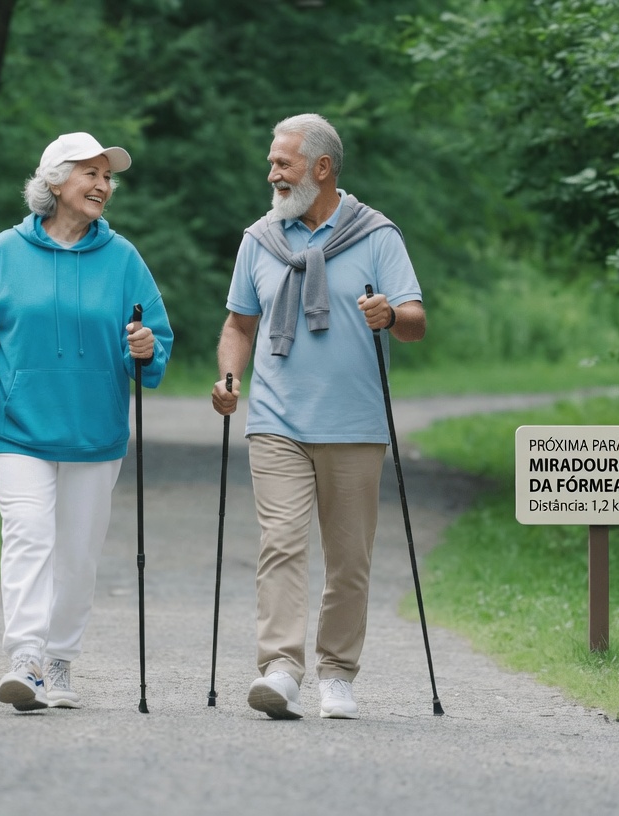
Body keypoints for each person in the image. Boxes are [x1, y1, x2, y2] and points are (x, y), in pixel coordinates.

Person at [0, 132, 173, 712]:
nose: (103, 185)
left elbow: (154, 343)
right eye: (90, 174)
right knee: (29, 535)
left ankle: (60, 658)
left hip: (94, 432)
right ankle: (25, 658)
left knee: (77, 553)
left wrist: (144, 349)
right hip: (18, 426)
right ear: (54, 181)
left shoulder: (123, 258)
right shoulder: (6, 251)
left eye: (108, 177)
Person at [211, 113, 425, 720]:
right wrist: (230, 377)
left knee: (349, 558)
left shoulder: (376, 235)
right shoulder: (260, 239)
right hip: (276, 421)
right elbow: (238, 324)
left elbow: (415, 321)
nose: (272, 172)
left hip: (355, 423)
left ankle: (337, 673)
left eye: (283, 162)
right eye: (272, 162)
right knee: (279, 543)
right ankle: (280, 669)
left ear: (322, 168)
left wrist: (389, 315)